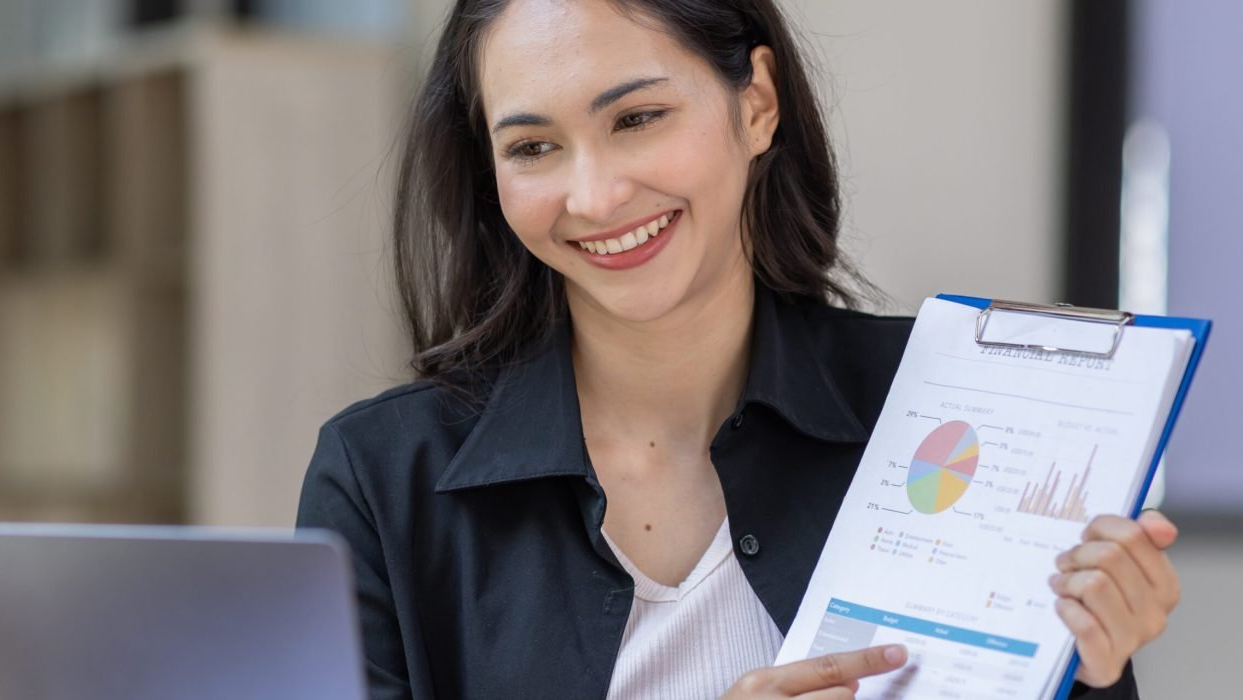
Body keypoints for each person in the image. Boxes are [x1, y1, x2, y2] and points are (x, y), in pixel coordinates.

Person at [297, 0, 1181, 697]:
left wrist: (1091, 669)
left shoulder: (955, 406)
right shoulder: (382, 477)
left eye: (636, 118)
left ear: (756, 103)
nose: (596, 195)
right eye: (533, 147)